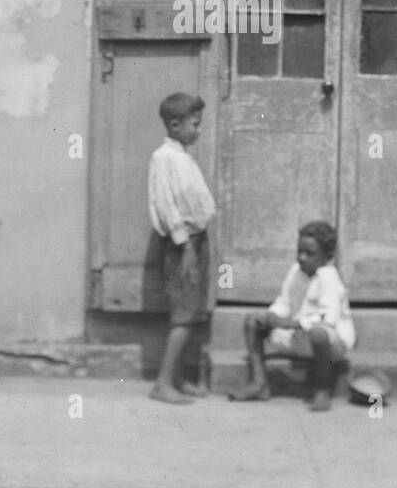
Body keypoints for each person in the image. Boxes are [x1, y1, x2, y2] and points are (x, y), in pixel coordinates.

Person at [229, 220, 355, 411]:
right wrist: (271, 316)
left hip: (328, 344)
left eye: (310, 254)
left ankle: (322, 390)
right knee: (252, 321)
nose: (302, 258)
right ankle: (259, 383)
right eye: (300, 251)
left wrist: (288, 324)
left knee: (319, 333)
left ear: (326, 256)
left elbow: (327, 319)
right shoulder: (297, 271)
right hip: (297, 338)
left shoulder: (329, 277)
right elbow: (285, 301)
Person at [148, 92, 216, 405]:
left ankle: (176, 378)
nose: (198, 130)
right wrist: (185, 245)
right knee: (183, 315)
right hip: (182, 244)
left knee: (189, 312)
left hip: (195, 241)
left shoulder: (182, 156)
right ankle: (162, 383)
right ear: (175, 125)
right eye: (194, 124)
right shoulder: (164, 159)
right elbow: (165, 205)